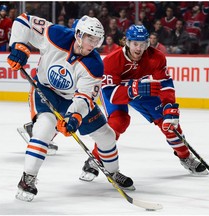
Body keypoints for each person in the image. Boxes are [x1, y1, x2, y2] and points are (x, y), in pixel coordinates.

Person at [7, 14, 134, 202]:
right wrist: (18, 45)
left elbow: (84, 97)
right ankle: (28, 178)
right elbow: (23, 20)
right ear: (79, 34)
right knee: (44, 128)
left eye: (97, 40)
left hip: (71, 98)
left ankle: (113, 172)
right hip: (45, 90)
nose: (94, 44)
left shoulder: (94, 64)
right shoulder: (55, 34)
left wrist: (74, 117)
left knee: (106, 135)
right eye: (90, 38)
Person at [79, 24, 208, 182]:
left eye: (143, 44)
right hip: (118, 92)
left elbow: (166, 84)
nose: (139, 48)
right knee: (119, 122)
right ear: (127, 42)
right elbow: (110, 94)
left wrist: (168, 106)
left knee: (168, 122)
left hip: (141, 89)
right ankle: (95, 159)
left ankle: (185, 157)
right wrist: (132, 90)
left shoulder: (156, 57)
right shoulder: (112, 60)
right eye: (135, 44)